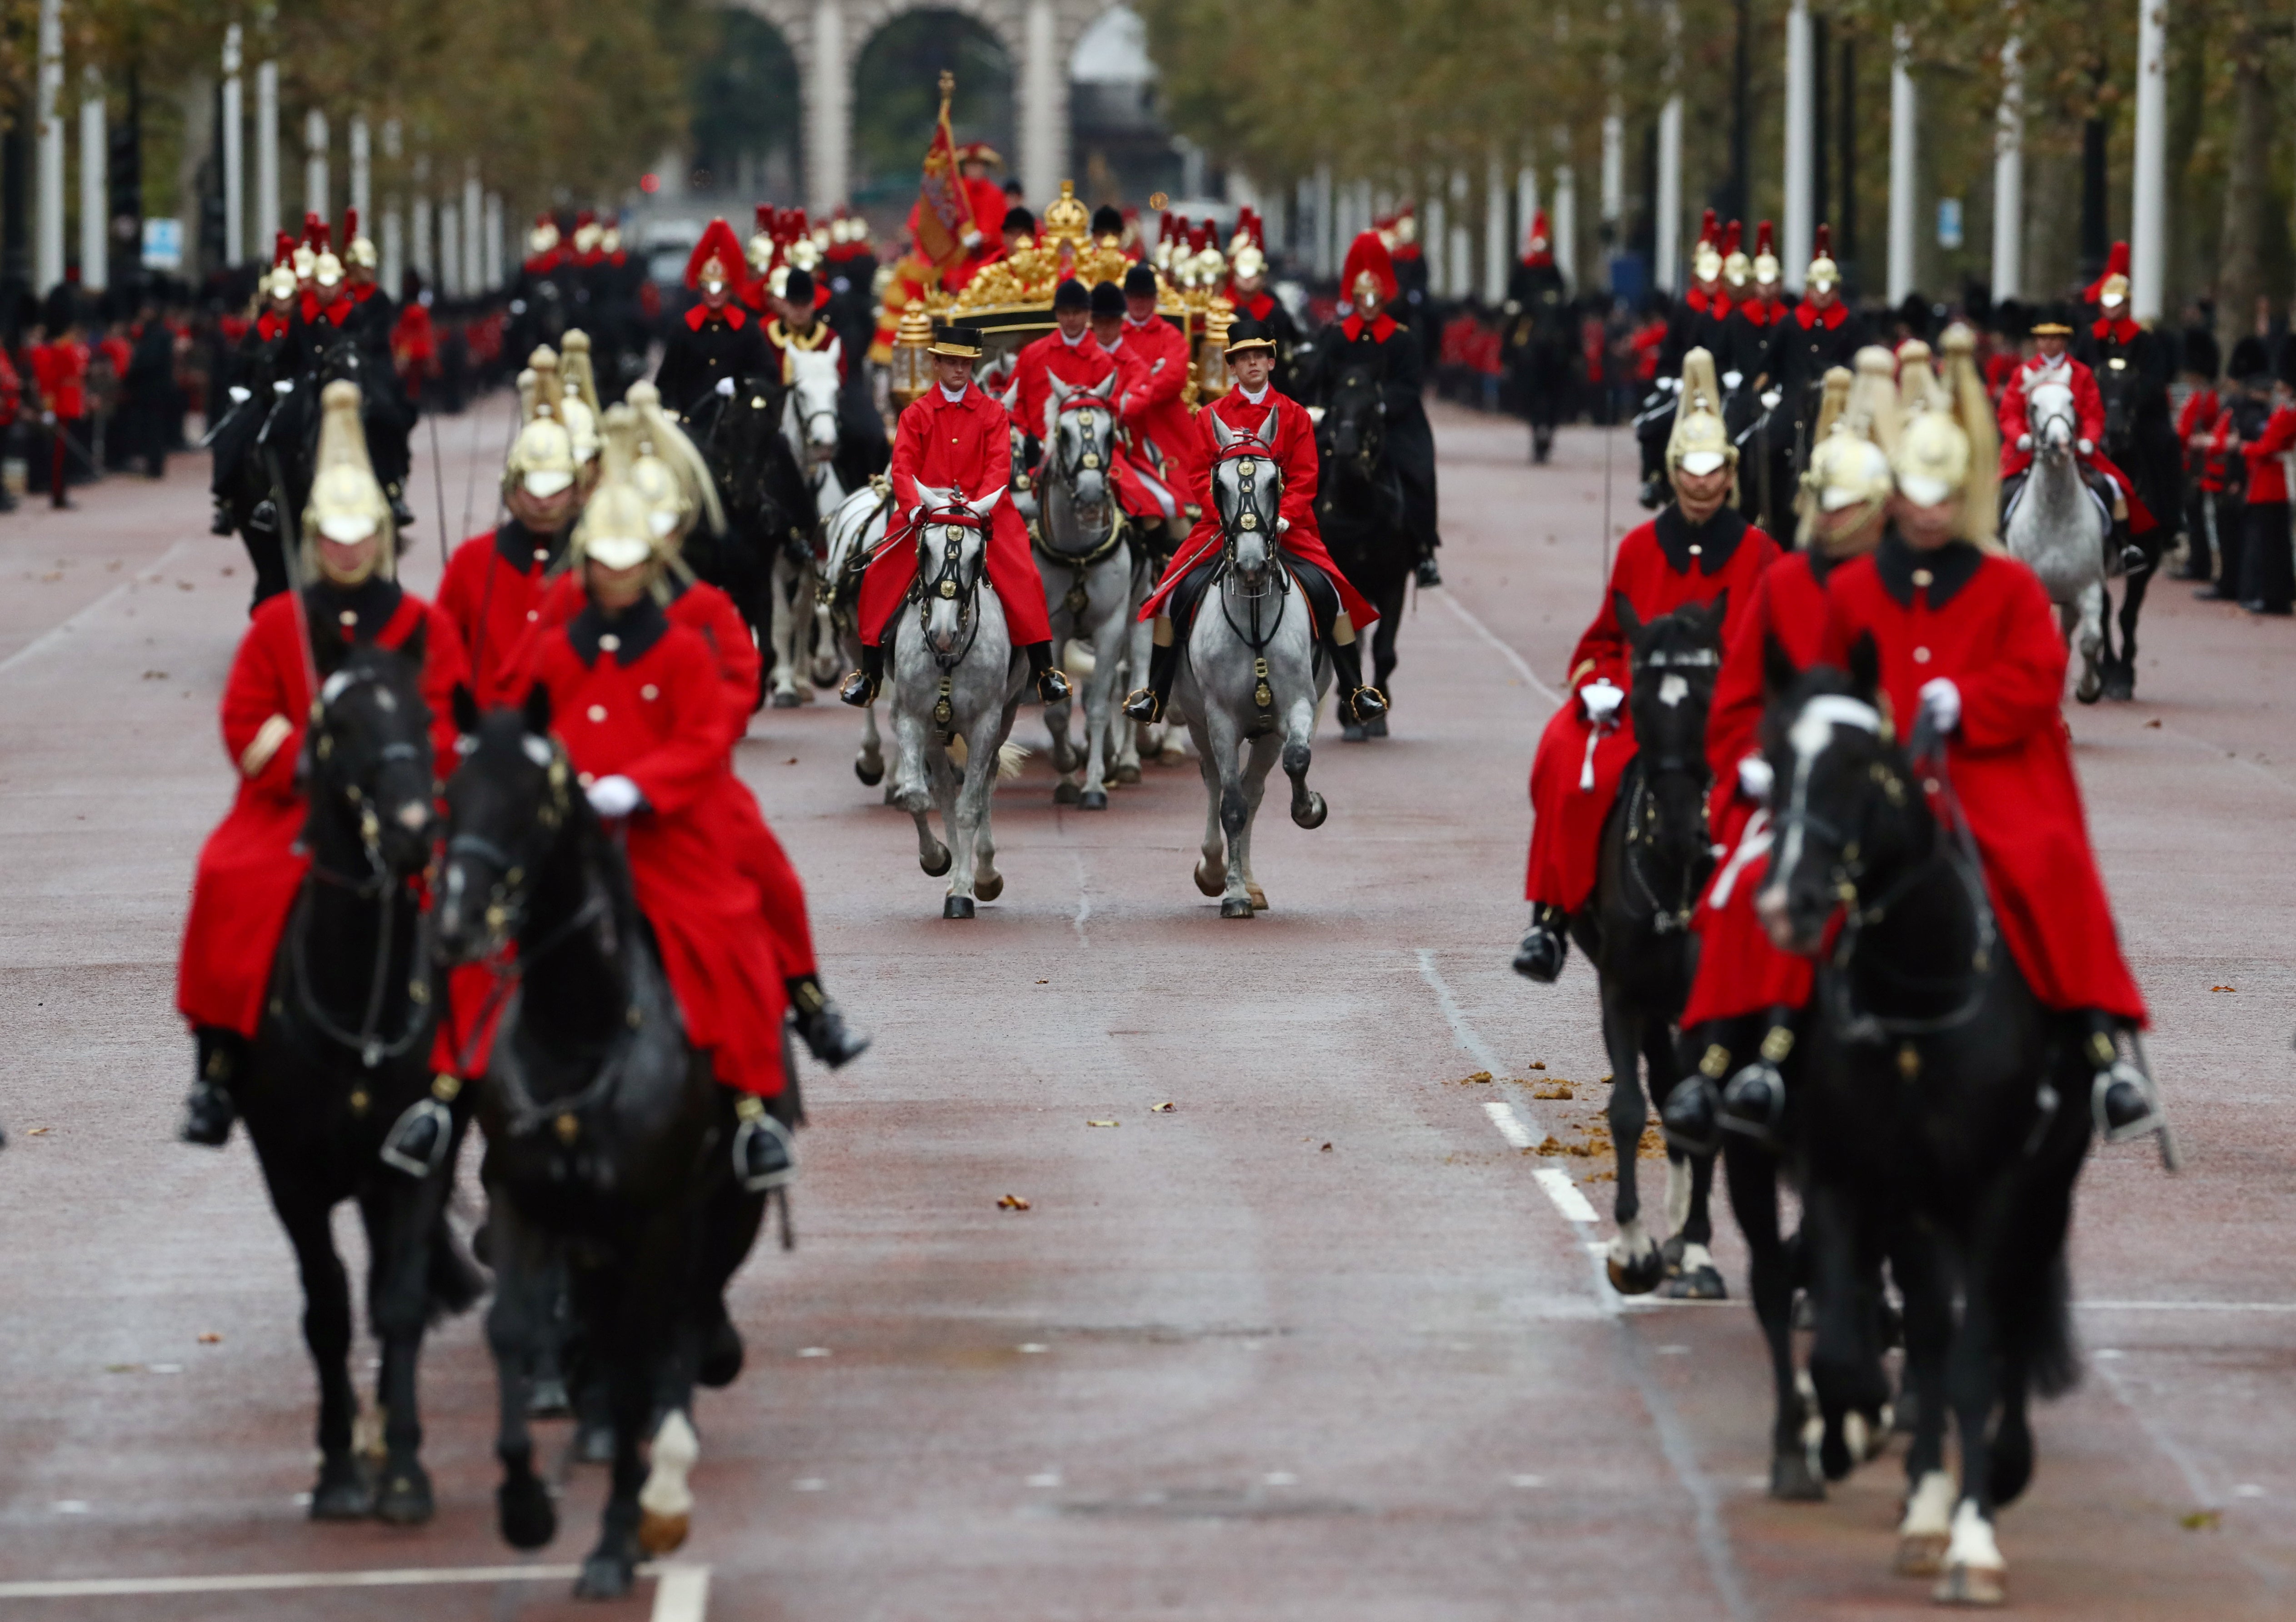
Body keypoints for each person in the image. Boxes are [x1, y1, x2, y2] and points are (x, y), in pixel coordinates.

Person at [1818, 390, 2161, 1143]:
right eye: (1919, 493)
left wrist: (1967, 701)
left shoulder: (2009, 583)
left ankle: (2101, 1048)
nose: (1933, 511)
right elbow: (1820, 682)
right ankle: (1757, 1052)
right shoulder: (1850, 588)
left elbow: (2038, 676)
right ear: (1895, 494)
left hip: (1984, 770)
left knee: (2049, 864)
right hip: (1880, 778)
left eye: (1947, 494)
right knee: (1790, 874)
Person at [501, 424, 800, 1188]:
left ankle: (753, 1099)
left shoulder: (695, 615)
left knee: (731, 923)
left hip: (672, 815)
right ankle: (442, 1093)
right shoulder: (562, 610)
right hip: (567, 820)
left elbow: (721, 706)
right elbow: (519, 696)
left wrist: (644, 783)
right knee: (468, 925)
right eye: (607, 557)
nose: (619, 572)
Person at [176, 380, 470, 1147]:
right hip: (294, 805)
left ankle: (468, 1068)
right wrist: (308, 763)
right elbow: (244, 719)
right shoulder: (279, 623)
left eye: (358, 533)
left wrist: (404, 781)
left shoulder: (420, 622)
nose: (346, 548)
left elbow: (443, 714)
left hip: (404, 802)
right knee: (227, 877)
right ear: (313, 538)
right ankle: (217, 1064)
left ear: (379, 535)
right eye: (332, 535)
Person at [1673, 349, 1896, 1137]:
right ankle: (1718, 1058)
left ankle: (2084, 1049)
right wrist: (1755, 767)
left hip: (1893, 794)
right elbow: (1736, 703)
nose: (1837, 520)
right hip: (1797, 791)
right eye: (1825, 505)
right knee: (1736, 889)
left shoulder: (1907, 583)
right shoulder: (1785, 584)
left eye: (1852, 506)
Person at [1514, 349, 1781, 981]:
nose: (1699, 482)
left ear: (1728, 473)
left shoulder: (1761, 553)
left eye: (1711, 468)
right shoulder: (1638, 549)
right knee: (1563, 750)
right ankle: (1549, 917)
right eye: (1688, 468)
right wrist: (1603, 687)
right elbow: (1603, 641)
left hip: (1727, 720)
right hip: (1643, 715)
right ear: (1671, 471)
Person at [1121, 319, 1387, 727]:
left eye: (1259, 356)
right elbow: (1197, 477)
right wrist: (1226, 519)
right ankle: (1154, 693)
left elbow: (1305, 476)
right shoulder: (1210, 416)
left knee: (1333, 593)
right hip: (1222, 528)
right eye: (1244, 358)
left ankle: (1355, 689)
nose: (1253, 364)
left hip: (1286, 528)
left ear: (1271, 361)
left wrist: (1283, 517)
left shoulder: (1294, 414)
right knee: (1169, 594)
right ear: (1232, 366)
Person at [837, 324, 1072, 709]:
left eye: (965, 363)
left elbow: (1000, 464)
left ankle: (1045, 670)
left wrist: (978, 507)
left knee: (1024, 574)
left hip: (982, 511)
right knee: (882, 572)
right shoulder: (916, 413)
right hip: (926, 512)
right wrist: (915, 508)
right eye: (950, 362)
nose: (958, 370)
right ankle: (869, 671)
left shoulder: (993, 412)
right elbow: (903, 466)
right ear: (936, 363)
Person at [437, 349, 586, 701]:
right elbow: (440, 658)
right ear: (512, 490)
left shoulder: (598, 565)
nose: (544, 501)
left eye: (556, 488)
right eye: (533, 488)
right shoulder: (471, 562)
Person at [1313, 230, 1444, 586]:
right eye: (1363, 296)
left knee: (1416, 471)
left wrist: (1383, 407)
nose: (1369, 303)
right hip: (1344, 420)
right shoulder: (1336, 338)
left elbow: (1408, 385)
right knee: (1307, 470)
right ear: (1353, 298)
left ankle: (1422, 549)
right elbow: (1320, 381)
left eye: (1375, 296)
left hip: (1392, 421)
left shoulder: (1402, 339)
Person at [1995, 309, 2156, 567]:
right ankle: (1997, 546)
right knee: (2003, 491)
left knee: (2112, 488)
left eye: (2056, 338)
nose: (2049, 343)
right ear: (2037, 341)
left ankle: (2122, 547)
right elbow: (2009, 414)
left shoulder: (2081, 374)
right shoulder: (2023, 374)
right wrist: (2021, 437)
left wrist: (2089, 440)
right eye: (2043, 338)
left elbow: (2094, 414)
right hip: (2030, 452)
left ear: (2065, 341)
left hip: (2076, 451)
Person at [1099, 270, 1196, 525]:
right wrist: (1143, 385)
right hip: (1121, 421)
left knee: (1186, 488)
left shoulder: (1170, 335)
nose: (1140, 302)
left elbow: (1174, 379)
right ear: (1126, 299)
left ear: (1155, 299)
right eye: (1134, 297)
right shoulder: (1115, 335)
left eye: (1146, 297)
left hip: (1162, 423)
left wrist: (1137, 392)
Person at [655, 218, 774, 420]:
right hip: (692, 419)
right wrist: (673, 410)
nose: (714, 294)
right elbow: (667, 382)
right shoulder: (683, 329)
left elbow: (767, 375)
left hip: (737, 420)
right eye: (708, 288)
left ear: (729, 289)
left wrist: (741, 385)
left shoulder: (747, 329)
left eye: (720, 288)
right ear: (700, 289)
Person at [1504, 210, 1574, 463]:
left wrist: (1556, 301)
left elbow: (1563, 291)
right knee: (1513, 330)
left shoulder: (1554, 268)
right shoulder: (1522, 268)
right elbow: (1513, 294)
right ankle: (1507, 358)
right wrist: (1521, 305)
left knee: (1568, 325)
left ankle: (1575, 356)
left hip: (1549, 316)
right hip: (1528, 317)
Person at [2235, 351, 2296, 614]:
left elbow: (2269, 447)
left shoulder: (2289, 413)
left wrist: (2244, 448)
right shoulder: (2284, 409)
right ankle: (2273, 595)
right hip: (2267, 482)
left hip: (2274, 485)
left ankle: (2275, 598)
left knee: (2273, 546)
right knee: (2273, 544)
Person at [1224, 212, 1304, 397]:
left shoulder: (1276, 312)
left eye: (1253, 275)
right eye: (1242, 275)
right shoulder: (1222, 308)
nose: (1247, 281)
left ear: (1262, 276)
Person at [2174, 328, 2224, 583]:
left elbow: (2196, 430)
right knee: (2192, 515)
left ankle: (2200, 564)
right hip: (2189, 461)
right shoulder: (2198, 395)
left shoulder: (2208, 398)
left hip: (2199, 464)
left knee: (2197, 515)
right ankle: (2196, 560)